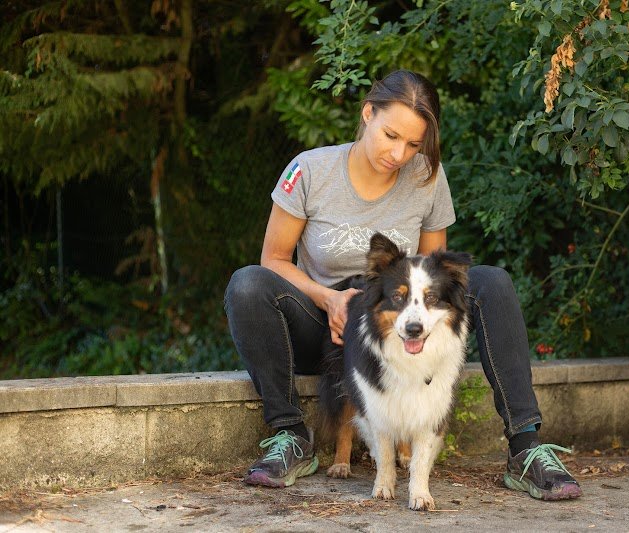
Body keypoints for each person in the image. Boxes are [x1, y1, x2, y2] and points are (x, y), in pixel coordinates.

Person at [224, 70, 582, 500]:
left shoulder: (427, 177)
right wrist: (329, 298)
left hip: (396, 326)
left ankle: (526, 446)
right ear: (367, 113)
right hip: (324, 325)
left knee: (492, 283)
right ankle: (291, 437)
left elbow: (438, 273)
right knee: (247, 283)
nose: (399, 154)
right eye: (391, 135)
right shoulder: (310, 169)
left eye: (413, 144)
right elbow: (274, 259)